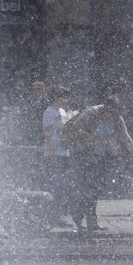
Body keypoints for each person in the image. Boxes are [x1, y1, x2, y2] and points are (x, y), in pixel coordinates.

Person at [67, 94, 133, 235]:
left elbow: (127, 139)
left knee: (94, 189)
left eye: (114, 115)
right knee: (85, 188)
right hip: (82, 155)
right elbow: (74, 129)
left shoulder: (117, 117)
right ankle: (80, 217)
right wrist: (89, 136)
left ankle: (91, 220)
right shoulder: (91, 113)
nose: (111, 118)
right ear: (105, 110)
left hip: (98, 156)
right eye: (110, 115)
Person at [42, 85, 78, 228]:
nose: (66, 100)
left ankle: (60, 215)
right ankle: (54, 217)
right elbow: (48, 136)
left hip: (64, 153)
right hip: (55, 154)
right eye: (64, 97)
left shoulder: (62, 111)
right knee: (56, 187)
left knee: (63, 187)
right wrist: (52, 157)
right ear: (56, 98)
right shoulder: (49, 112)